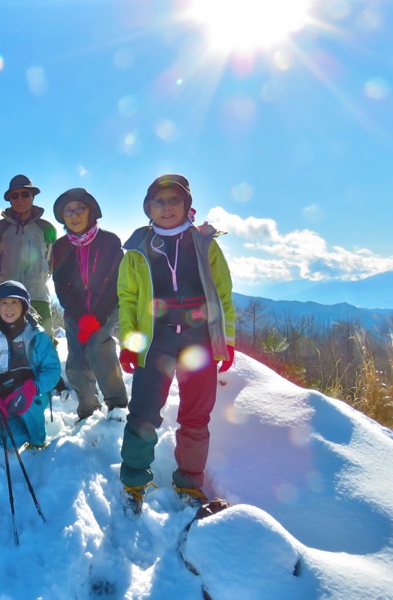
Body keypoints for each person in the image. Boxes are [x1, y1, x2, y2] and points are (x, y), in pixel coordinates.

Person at [117, 174, 235, 513]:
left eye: (174, 201)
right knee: (142, 413)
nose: (167, 207)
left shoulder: (205, 244)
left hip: (199, 338)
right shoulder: (137, 248)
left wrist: (225, 341)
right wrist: (129, 342)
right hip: (156, 337)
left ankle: (189, 482)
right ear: (148, 208)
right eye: (159, 201)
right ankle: (134, 480)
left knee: (196, 416)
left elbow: (223, 295)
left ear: (187, 206)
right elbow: (127, 298)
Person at [51, 188, 128, 422]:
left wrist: (95, 316)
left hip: (106, 310)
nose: (74, 215)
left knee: (98, 347)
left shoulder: (110, 241)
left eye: (79, 209)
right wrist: (80, 315)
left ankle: (117, 405)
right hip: (75, 312)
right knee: (75, 362)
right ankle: (88, 409)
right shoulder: (61, 246)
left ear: (90, 211)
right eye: (68, 211)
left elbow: (114, 281)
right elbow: (61, 284)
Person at [0, 280, 61, 448]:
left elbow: (52, 369)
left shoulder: (36, 334)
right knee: (11, 442)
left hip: (31, 393)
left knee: (29, 406)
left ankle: (37, 441)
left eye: (15, 302)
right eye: (4, 302)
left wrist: (32, 388)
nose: (9, 308)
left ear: (24, 306)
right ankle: (19, 426)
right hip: (1, 397)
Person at [0, 174, 57, 342]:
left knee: (45, 345)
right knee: (2, 345)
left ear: (33, 196)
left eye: (25, 194)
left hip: (38, 295)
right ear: (10, 199)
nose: (20, 199)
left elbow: (52, 260)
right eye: (15, 195)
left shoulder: (46, 227)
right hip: (5, 296)